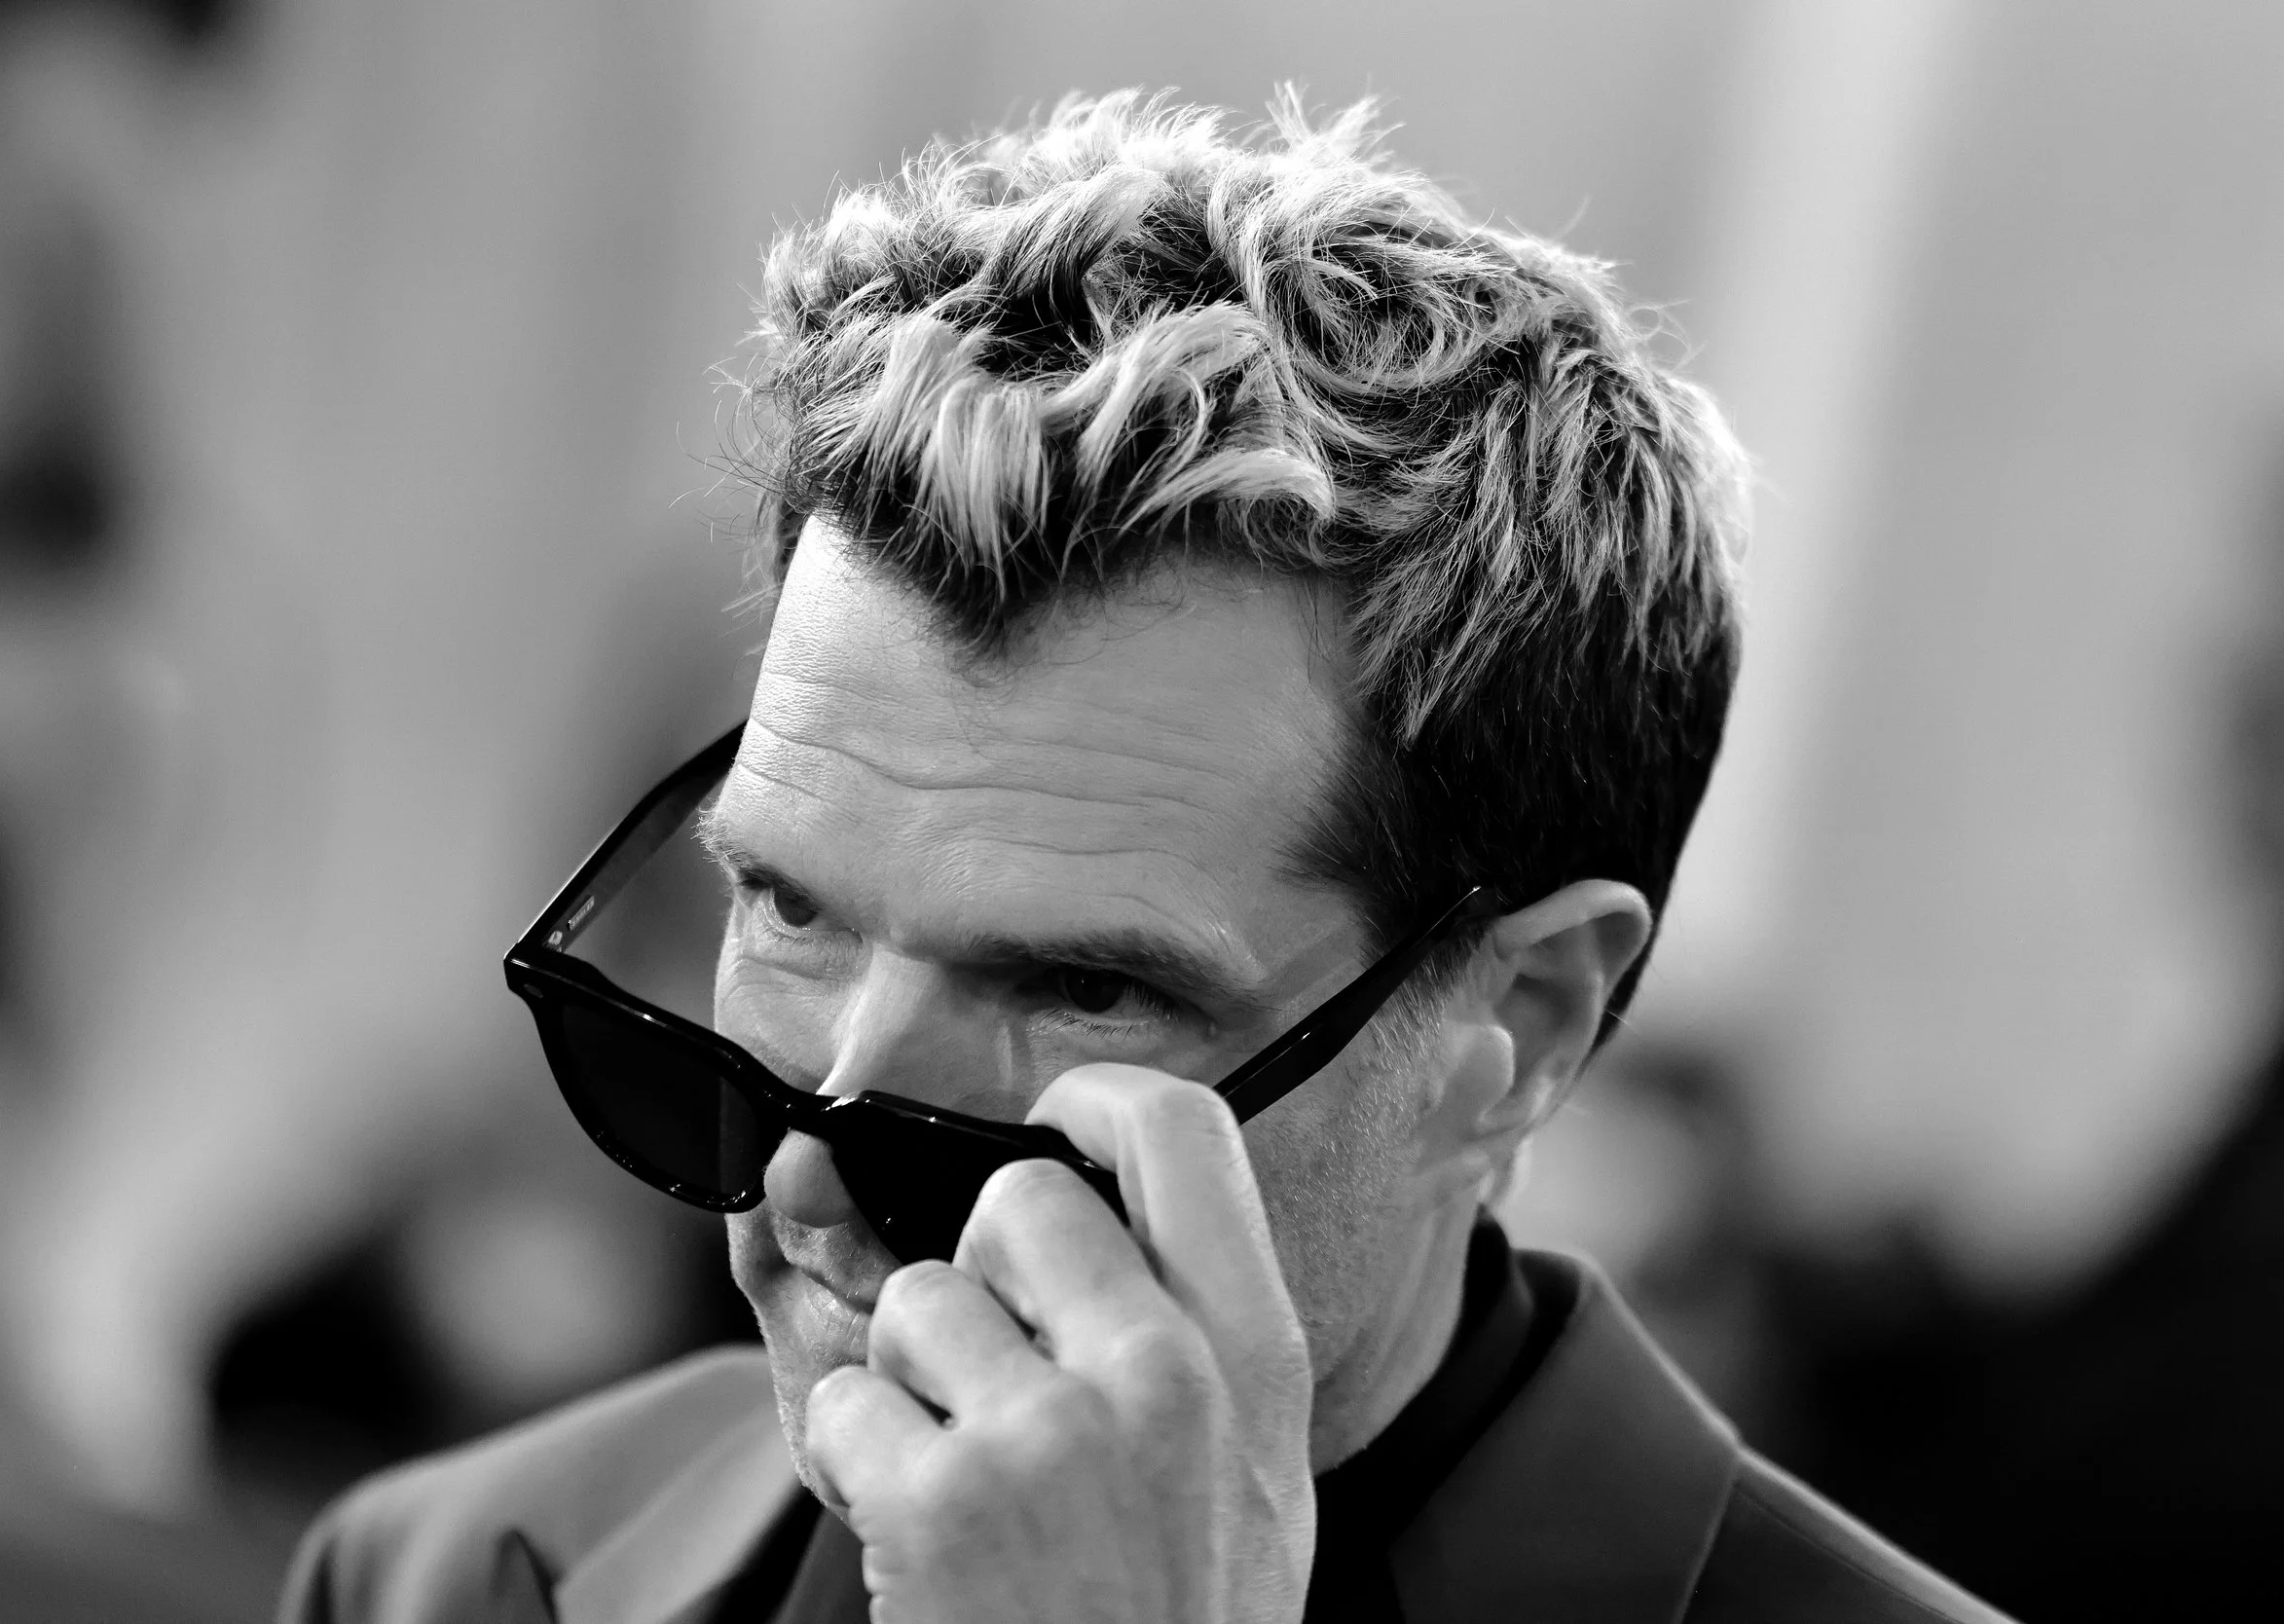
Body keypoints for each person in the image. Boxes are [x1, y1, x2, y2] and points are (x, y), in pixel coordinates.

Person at [277, 92, 2010, 1623]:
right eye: (787, 906)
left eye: (1082, 985)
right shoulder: (441, 1576)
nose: (802, 1177)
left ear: (1530, 1022)